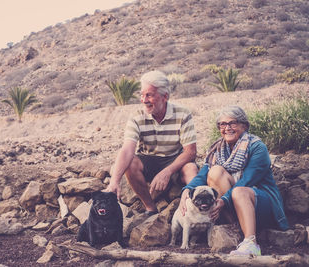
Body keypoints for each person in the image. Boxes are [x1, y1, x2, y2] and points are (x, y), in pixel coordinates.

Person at [180, 105, 289, 256]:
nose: (227, 128)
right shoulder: (216, 149)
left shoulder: (257, 147)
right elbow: (202, 176)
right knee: (215, 171)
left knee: (239, 191)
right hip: (233, 204)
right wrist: (187, 190)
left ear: (244, 125)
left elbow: (247, 181)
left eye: (233, 123)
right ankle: (234, 228)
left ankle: (251, 243)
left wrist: (223, 199)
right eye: (223, 124)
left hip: (260, 203)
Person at [106, 70, 198, 215]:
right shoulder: (136, 116)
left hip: (174, 159)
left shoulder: (183, 113)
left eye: (149, 95)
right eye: (142, 95)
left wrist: (167, 172)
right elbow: (127, 150)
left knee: (191, 169)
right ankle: (150, 208)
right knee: (130, 164)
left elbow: (190, 152)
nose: (144, 100)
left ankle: (195, 208)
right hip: (148, 159)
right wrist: (114, 182)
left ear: (164, 97)